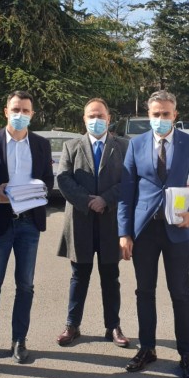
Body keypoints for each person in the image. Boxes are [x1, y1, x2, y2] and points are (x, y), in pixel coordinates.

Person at [118, 90, 189, 378]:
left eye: (166, 114)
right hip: (144, 231)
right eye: (156, 114)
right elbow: (126, 192)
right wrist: (124, 233)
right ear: (149, 115)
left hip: (177, 229)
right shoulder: (136, 144)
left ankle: (186, 354)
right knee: (144, 292)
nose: (160, 118)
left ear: (175, 115)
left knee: (180, 293)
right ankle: (147, 349)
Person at [0, 90, 54, 364]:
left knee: (25, 285)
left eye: (26, 111)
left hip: (29, 223)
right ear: (6, 112)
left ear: (32, 114)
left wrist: (35, 190)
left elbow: (48, 180)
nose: (20, 115)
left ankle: (19, 340)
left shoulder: (41, 144)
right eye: (16, 110)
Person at [55, 98, 130, 348]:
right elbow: (63, 178)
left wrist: (105, 199)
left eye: (100, 116)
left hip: (111, 221)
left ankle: (113, 326)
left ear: (109, 119)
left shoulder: (123, 146)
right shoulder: (71, 146)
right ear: (84, 119)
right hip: (81, 221)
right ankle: (72, 325)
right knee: (79, 276)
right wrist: (88, 201)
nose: (95, 120)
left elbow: (130, 180)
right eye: (91, 116)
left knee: (111, 277)